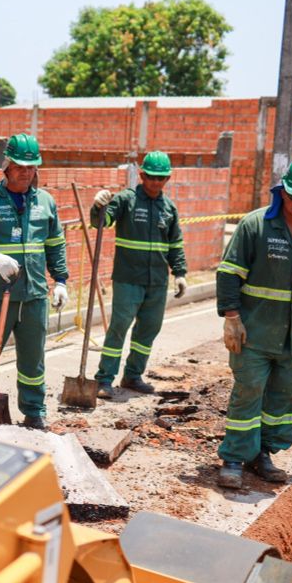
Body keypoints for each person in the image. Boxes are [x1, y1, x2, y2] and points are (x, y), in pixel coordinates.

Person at [214, 156, 292, 489]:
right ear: (281, 191)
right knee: (248, 393)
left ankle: (263, 453)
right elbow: (228, 273)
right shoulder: (256, 225)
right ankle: (234, 457)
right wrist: (231, 318)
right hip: (253, 334)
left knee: (283, 401)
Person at [0, 133, 69, 431]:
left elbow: (55, 244)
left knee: (34, 361)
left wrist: (60, 280)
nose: (26, 172)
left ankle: (34, 411)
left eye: (31, 166)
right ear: (6, 165)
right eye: (20, 166)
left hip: (34, 295)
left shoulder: (45, 202)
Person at [90, 151, 187, 399]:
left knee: (148, 330)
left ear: (168, 179)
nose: (156, 182)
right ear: (142, 175)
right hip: (128, 278)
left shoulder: (169, 208)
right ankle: (104, 379)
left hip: (157, 281)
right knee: (119, 327)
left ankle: (133, 375)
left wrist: (180, 273)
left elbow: (175, 244)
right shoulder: (126, 200)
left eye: (161, 178)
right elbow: (103, 221)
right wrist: (99, 205)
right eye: (151, 177)